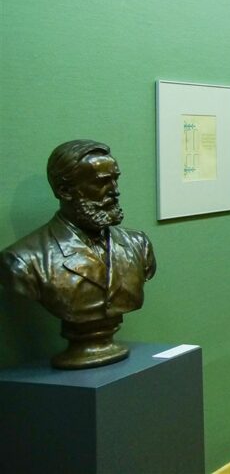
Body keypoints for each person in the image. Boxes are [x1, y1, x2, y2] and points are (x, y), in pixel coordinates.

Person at [0, 140, 156, 368]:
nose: (115, 191)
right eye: (101, 182)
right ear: (64, 191)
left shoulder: (138, 244)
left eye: (115, 179)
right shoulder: (23, 261)